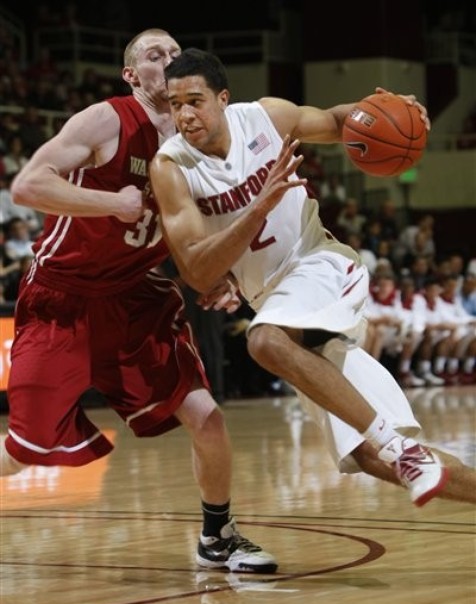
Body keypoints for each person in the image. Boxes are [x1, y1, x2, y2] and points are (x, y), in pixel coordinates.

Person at [149, 48, 476, 507]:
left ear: (223, 98)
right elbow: (198, 273)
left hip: (319, 264)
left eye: (195, 100)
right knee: (371, 456)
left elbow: (340, 120)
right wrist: (257, 208)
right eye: (175, 103)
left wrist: (392, 110)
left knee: (262, 342)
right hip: (279, 308)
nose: (184, 114)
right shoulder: (171, 167)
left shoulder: (265, 118)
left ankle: (400, 447)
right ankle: (402, 449)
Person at [2, 29, 277, 575]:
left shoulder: (193, 144)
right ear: (133, 76)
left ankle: (218, 535)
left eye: (176, 54)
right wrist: (112, 201)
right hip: (64, 294)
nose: (170, 61)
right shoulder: (106, 119)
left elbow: (191, 230)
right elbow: (27, 186)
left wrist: (216, 277)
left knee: (207, 417)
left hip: (136, 297)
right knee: (22, 448)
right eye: (156, 56)